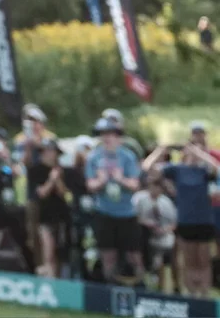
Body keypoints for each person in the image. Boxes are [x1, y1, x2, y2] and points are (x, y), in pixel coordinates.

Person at [147, 128, 220, 296]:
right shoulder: (177, 169)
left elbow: (215, 166)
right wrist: (160, 150)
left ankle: (204, 293)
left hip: (204, 220)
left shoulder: (204, 171)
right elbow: (149, 168)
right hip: (185, 220)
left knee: (203, 260)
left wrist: (199, 152)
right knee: (189, 260)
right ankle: (192, 294)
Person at [86, 118, 144, 282]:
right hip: (104, 212)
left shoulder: (128, 157)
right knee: (107, 254)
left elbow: (134, 184)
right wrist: (102, 181)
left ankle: (139, 285)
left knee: (134, 254)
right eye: (103, 134)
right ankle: (110, 288)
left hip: (127, 213)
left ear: (118, 137)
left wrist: (120, 179)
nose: (107, 138)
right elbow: (90, 185)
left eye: (110, 134)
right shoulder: (94, 157)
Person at [28, 138, 73, 277]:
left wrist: (57, 178)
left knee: (60, 251)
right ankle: (49, 278)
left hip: (61, 214)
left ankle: (59, 278)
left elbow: (64, 193)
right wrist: (51, 179)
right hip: (43, 214)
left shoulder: (63, 171)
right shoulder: (35, 170)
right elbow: (42, 193)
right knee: (47, 250)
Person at [134, 170, 178, 292]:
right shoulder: (140, 199)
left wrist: (164, 230)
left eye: (157, 187)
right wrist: (147, 223)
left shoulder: (166, 202)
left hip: (164, 235)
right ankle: (144, 280)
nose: (154, 190)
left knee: (167, 251)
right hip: (144, 235)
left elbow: (174, 223)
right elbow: (134, 217)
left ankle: (166, 284)